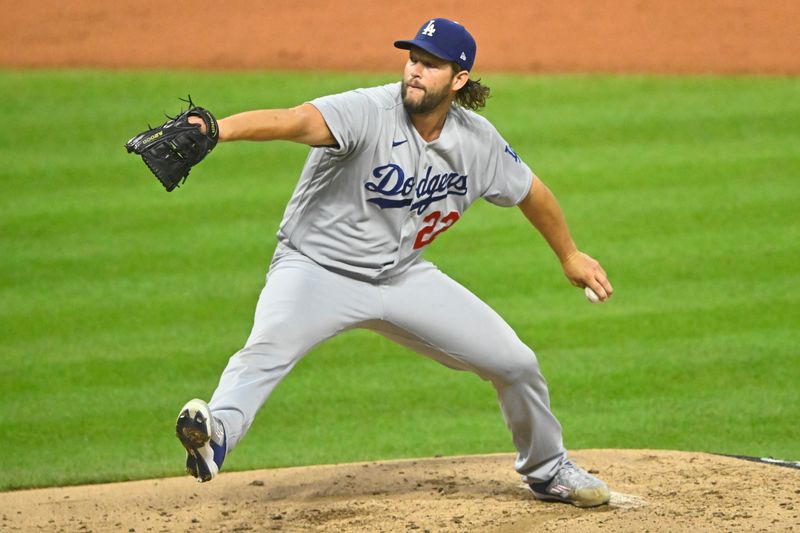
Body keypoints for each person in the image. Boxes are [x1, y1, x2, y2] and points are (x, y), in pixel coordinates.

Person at [175, 17, 614, 508]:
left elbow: (533, 193)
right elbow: (295, 120)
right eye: (412, 59)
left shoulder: (478, 141)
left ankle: (549, 470)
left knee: (515, 363)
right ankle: (215, 437)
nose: (415, 71)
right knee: (264, 351)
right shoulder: (367, 110)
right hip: (315, 269)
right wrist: (219, 130)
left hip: (402, 278)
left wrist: (569, 254)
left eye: (430, 64)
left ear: (459, 79)